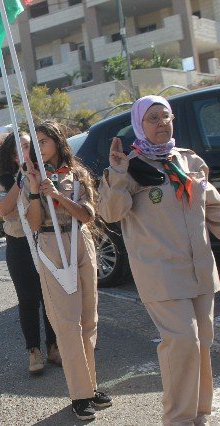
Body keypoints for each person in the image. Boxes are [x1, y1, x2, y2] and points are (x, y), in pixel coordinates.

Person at [98, 95, 220, 425]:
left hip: (200, 269)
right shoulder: (131, 166)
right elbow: (110, 212)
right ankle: (177, 419)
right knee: (182, 341)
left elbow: (212, 206)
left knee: (202, 342)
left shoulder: (190, 160)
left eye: (165, 116)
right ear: (139, 124)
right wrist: (117, 173)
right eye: (152, 118)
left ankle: (199, 414)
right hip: (160, 272)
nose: (161, 123)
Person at [22, 121, 111, 420]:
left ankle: (91, 386)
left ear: (58, 143)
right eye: (35, 144)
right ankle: (79, 395)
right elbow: (33, 224)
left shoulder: (77, 174)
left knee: (89, 318)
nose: (39, 148)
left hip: (79, 240)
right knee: (67, 323)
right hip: (50, 242)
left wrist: (59, 196)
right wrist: (36, 192)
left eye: (44, 141)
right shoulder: (31, 177)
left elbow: (87, 214)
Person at [0, 131, 59, 374]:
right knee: (28, 298)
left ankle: (53, 346)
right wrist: (21, 179)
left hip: (45, 239)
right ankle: (34, 350)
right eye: (19, 148)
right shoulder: (5, 179)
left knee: (49, 295)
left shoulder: (46, 172)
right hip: (19, 243)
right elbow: (4, 209)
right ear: (11, 154)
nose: (25, 152)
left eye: (28, 146)